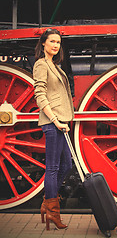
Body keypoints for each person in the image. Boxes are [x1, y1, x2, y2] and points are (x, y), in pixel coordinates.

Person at [33, 28, 74, 230]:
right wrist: (55, 120)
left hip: (61, 122)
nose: (56, 45)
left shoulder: (55, 65)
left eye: (58, 42)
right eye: (52, 42)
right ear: (43, 44)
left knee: (67, 164)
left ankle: (47, 202)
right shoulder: (41, 64)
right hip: (52, 123)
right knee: (53, 168)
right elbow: (39, 94)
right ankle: (53, 212)